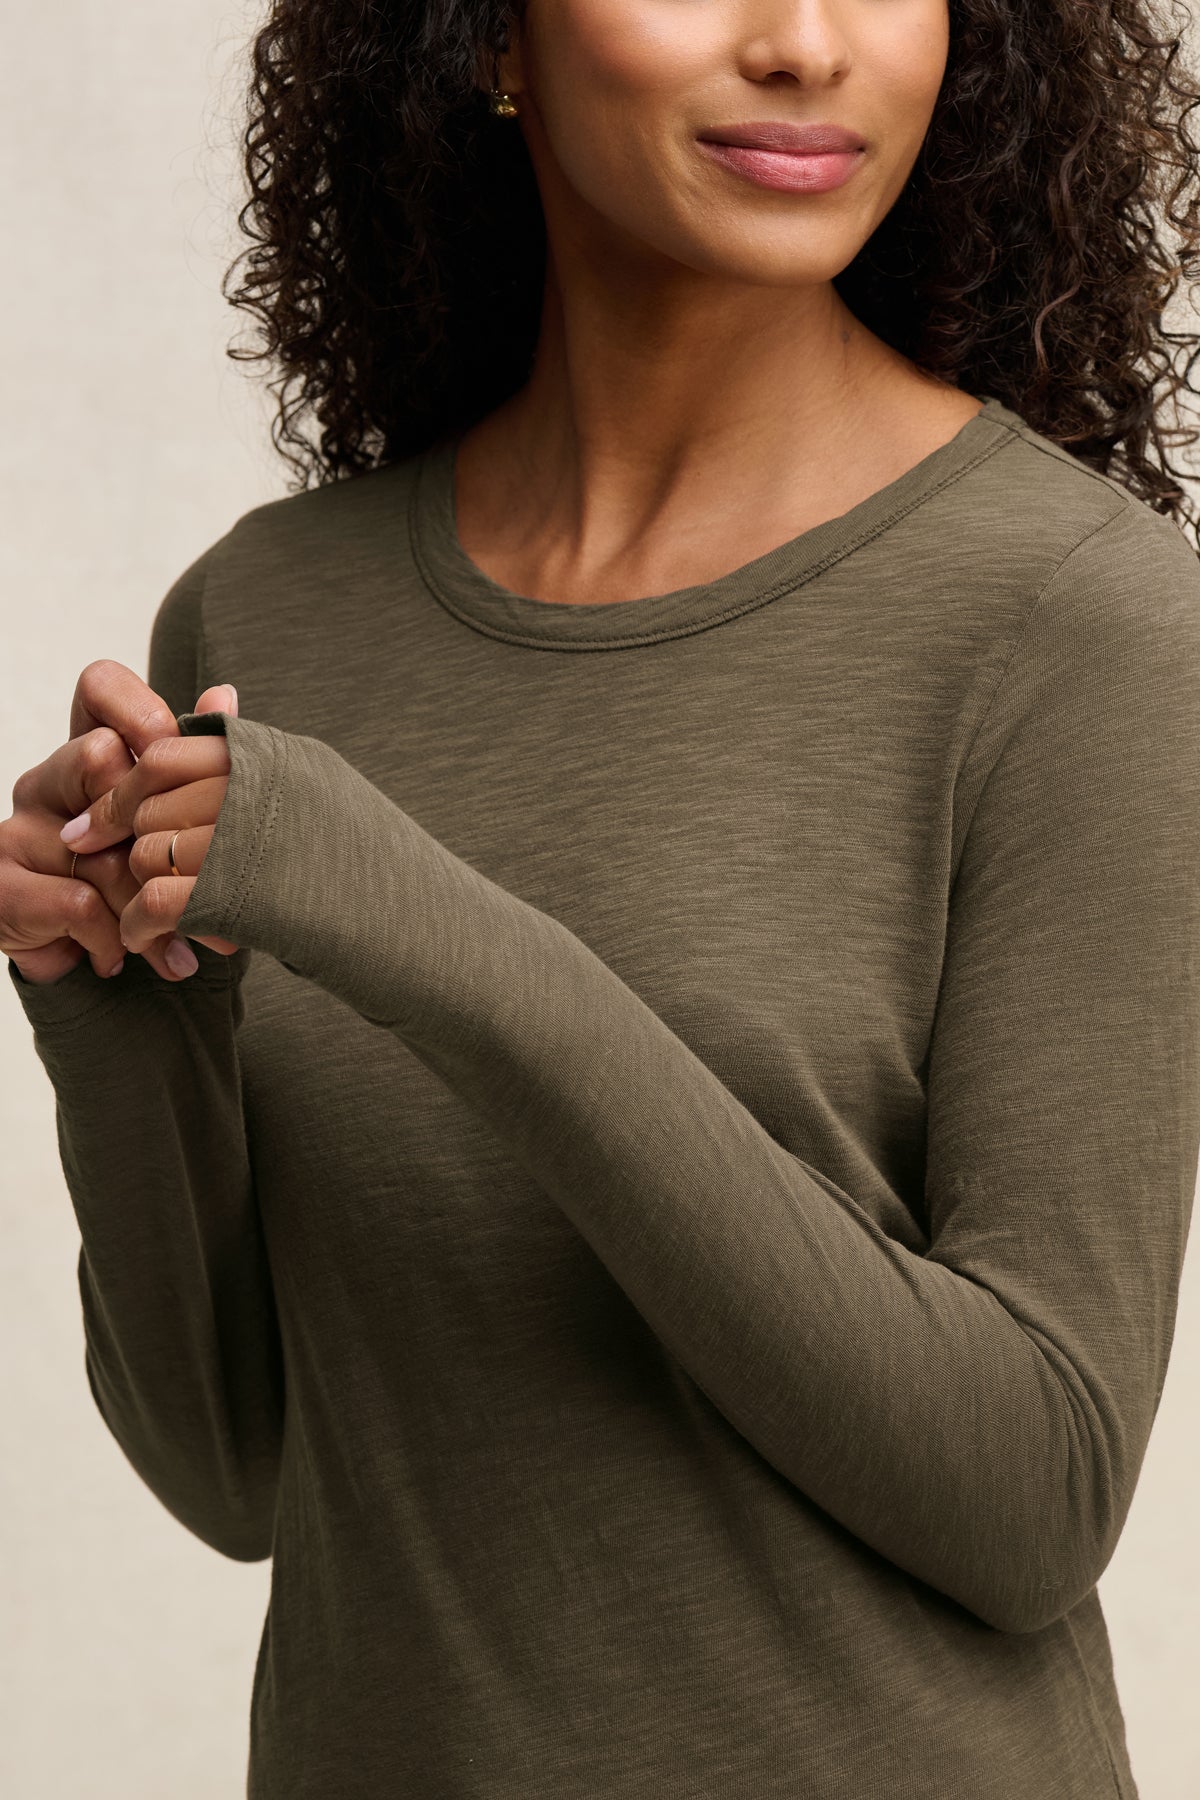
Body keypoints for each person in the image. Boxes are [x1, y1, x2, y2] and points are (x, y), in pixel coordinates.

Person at [4, 1, 1200, 1795]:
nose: (806, 43)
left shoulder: (1077, 622)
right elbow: (240, 1470)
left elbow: (1033, 1497)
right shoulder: (267, 616)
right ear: (488, 32)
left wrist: (426, 926)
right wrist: (116, 1012)